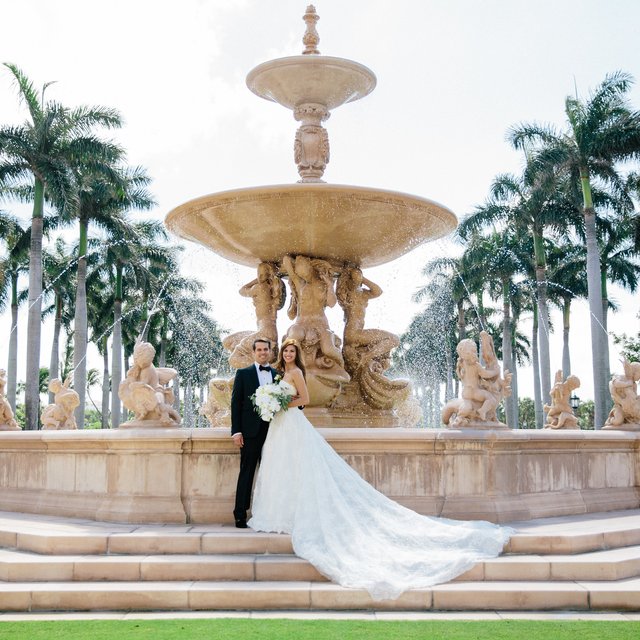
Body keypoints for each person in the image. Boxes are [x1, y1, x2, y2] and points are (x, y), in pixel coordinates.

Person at [248, 338, 513, 601]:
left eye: (293, 351)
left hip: (291, 421)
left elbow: (303, 399)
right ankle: (282, 509)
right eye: (287, 351)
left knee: (300, 466)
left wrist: (281, 403)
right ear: (281, 354)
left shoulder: (296, 373)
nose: (290, 354)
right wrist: (273, 403)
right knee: (283, 466)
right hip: (281, 426)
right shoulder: (280, 373)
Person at [230, 337, 277, 528]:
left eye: (266, 349)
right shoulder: (243, 374)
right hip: (250, 432)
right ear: (253, 352)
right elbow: (236, 404)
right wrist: (236, 432)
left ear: (270, 351)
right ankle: (240, 514)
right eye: (259, 350)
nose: (263, 352)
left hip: (274, 431)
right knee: (247, 472)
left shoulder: (278, 374)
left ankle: (268, 513)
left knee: (272, 474)